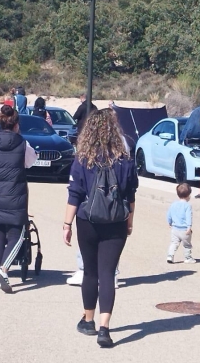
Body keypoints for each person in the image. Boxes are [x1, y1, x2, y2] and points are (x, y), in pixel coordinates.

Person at [62, 109, 136, 348]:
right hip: (116, 221)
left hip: (88, 220)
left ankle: (88, 320)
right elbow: (130, 194)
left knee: (90, 272)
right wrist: (130, 221)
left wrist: (67, 224)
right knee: (108, 273)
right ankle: (105, 328)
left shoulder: (82, 159)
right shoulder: (125, 160)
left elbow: (74, 194)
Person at [0, 105, 38, 293]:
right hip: (15, 196)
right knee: (17, 236)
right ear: (16, 125)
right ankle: (3, 269)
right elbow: (30, 162)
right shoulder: (22, 144)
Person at [167, 183, 194, 264]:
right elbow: (189, 217)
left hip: (175, 229)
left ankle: (170, 256)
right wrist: (189, 227)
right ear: (188, 195)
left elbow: (169, 214)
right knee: (187, 245)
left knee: (174, 243)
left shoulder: (173, 204)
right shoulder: (187, 206)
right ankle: (188, 258)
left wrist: (170, 222)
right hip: (184, 229)